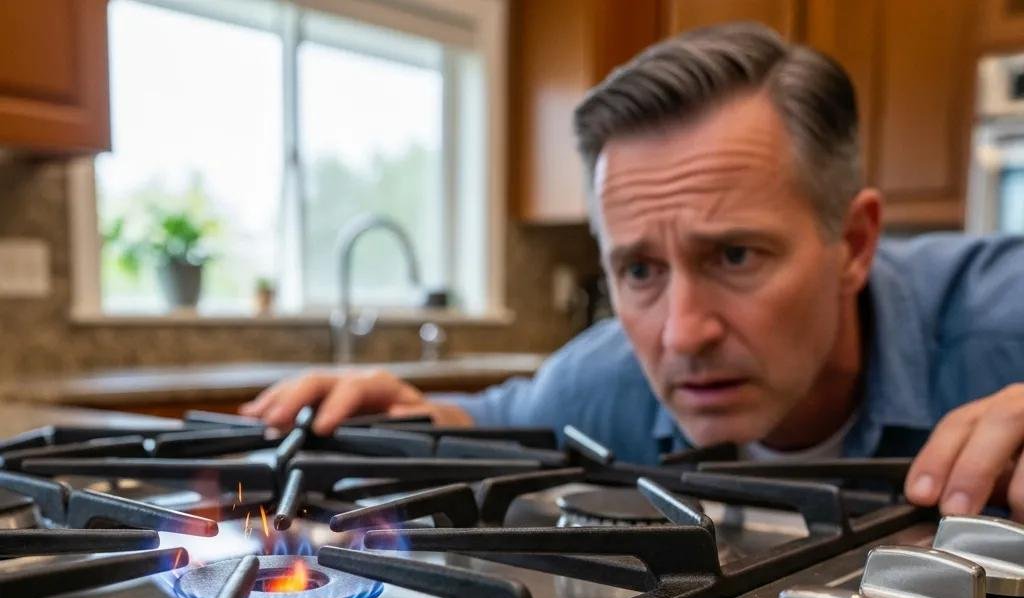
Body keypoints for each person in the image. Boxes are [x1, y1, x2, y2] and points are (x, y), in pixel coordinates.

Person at [241, 23, 1024, 521]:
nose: (682, 334)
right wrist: (410, 419)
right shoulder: (611, 376)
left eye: (736, 255)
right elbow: (493, 418)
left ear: (853, 244)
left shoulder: (999, 316)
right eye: (641, 270)